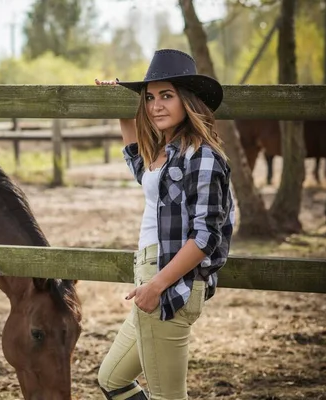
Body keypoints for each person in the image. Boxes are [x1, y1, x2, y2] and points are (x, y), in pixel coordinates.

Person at [94, 49, 236, 400]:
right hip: (152, 277)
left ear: (188, 101)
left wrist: (156, 285)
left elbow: (205, 237)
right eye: (149, 98)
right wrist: (122, 102)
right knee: (111, 379)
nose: (156, 105)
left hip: (170, 282)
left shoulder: (202, 156)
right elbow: (139, 167)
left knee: (167, 396)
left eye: (167, 96)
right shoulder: (166, 150)